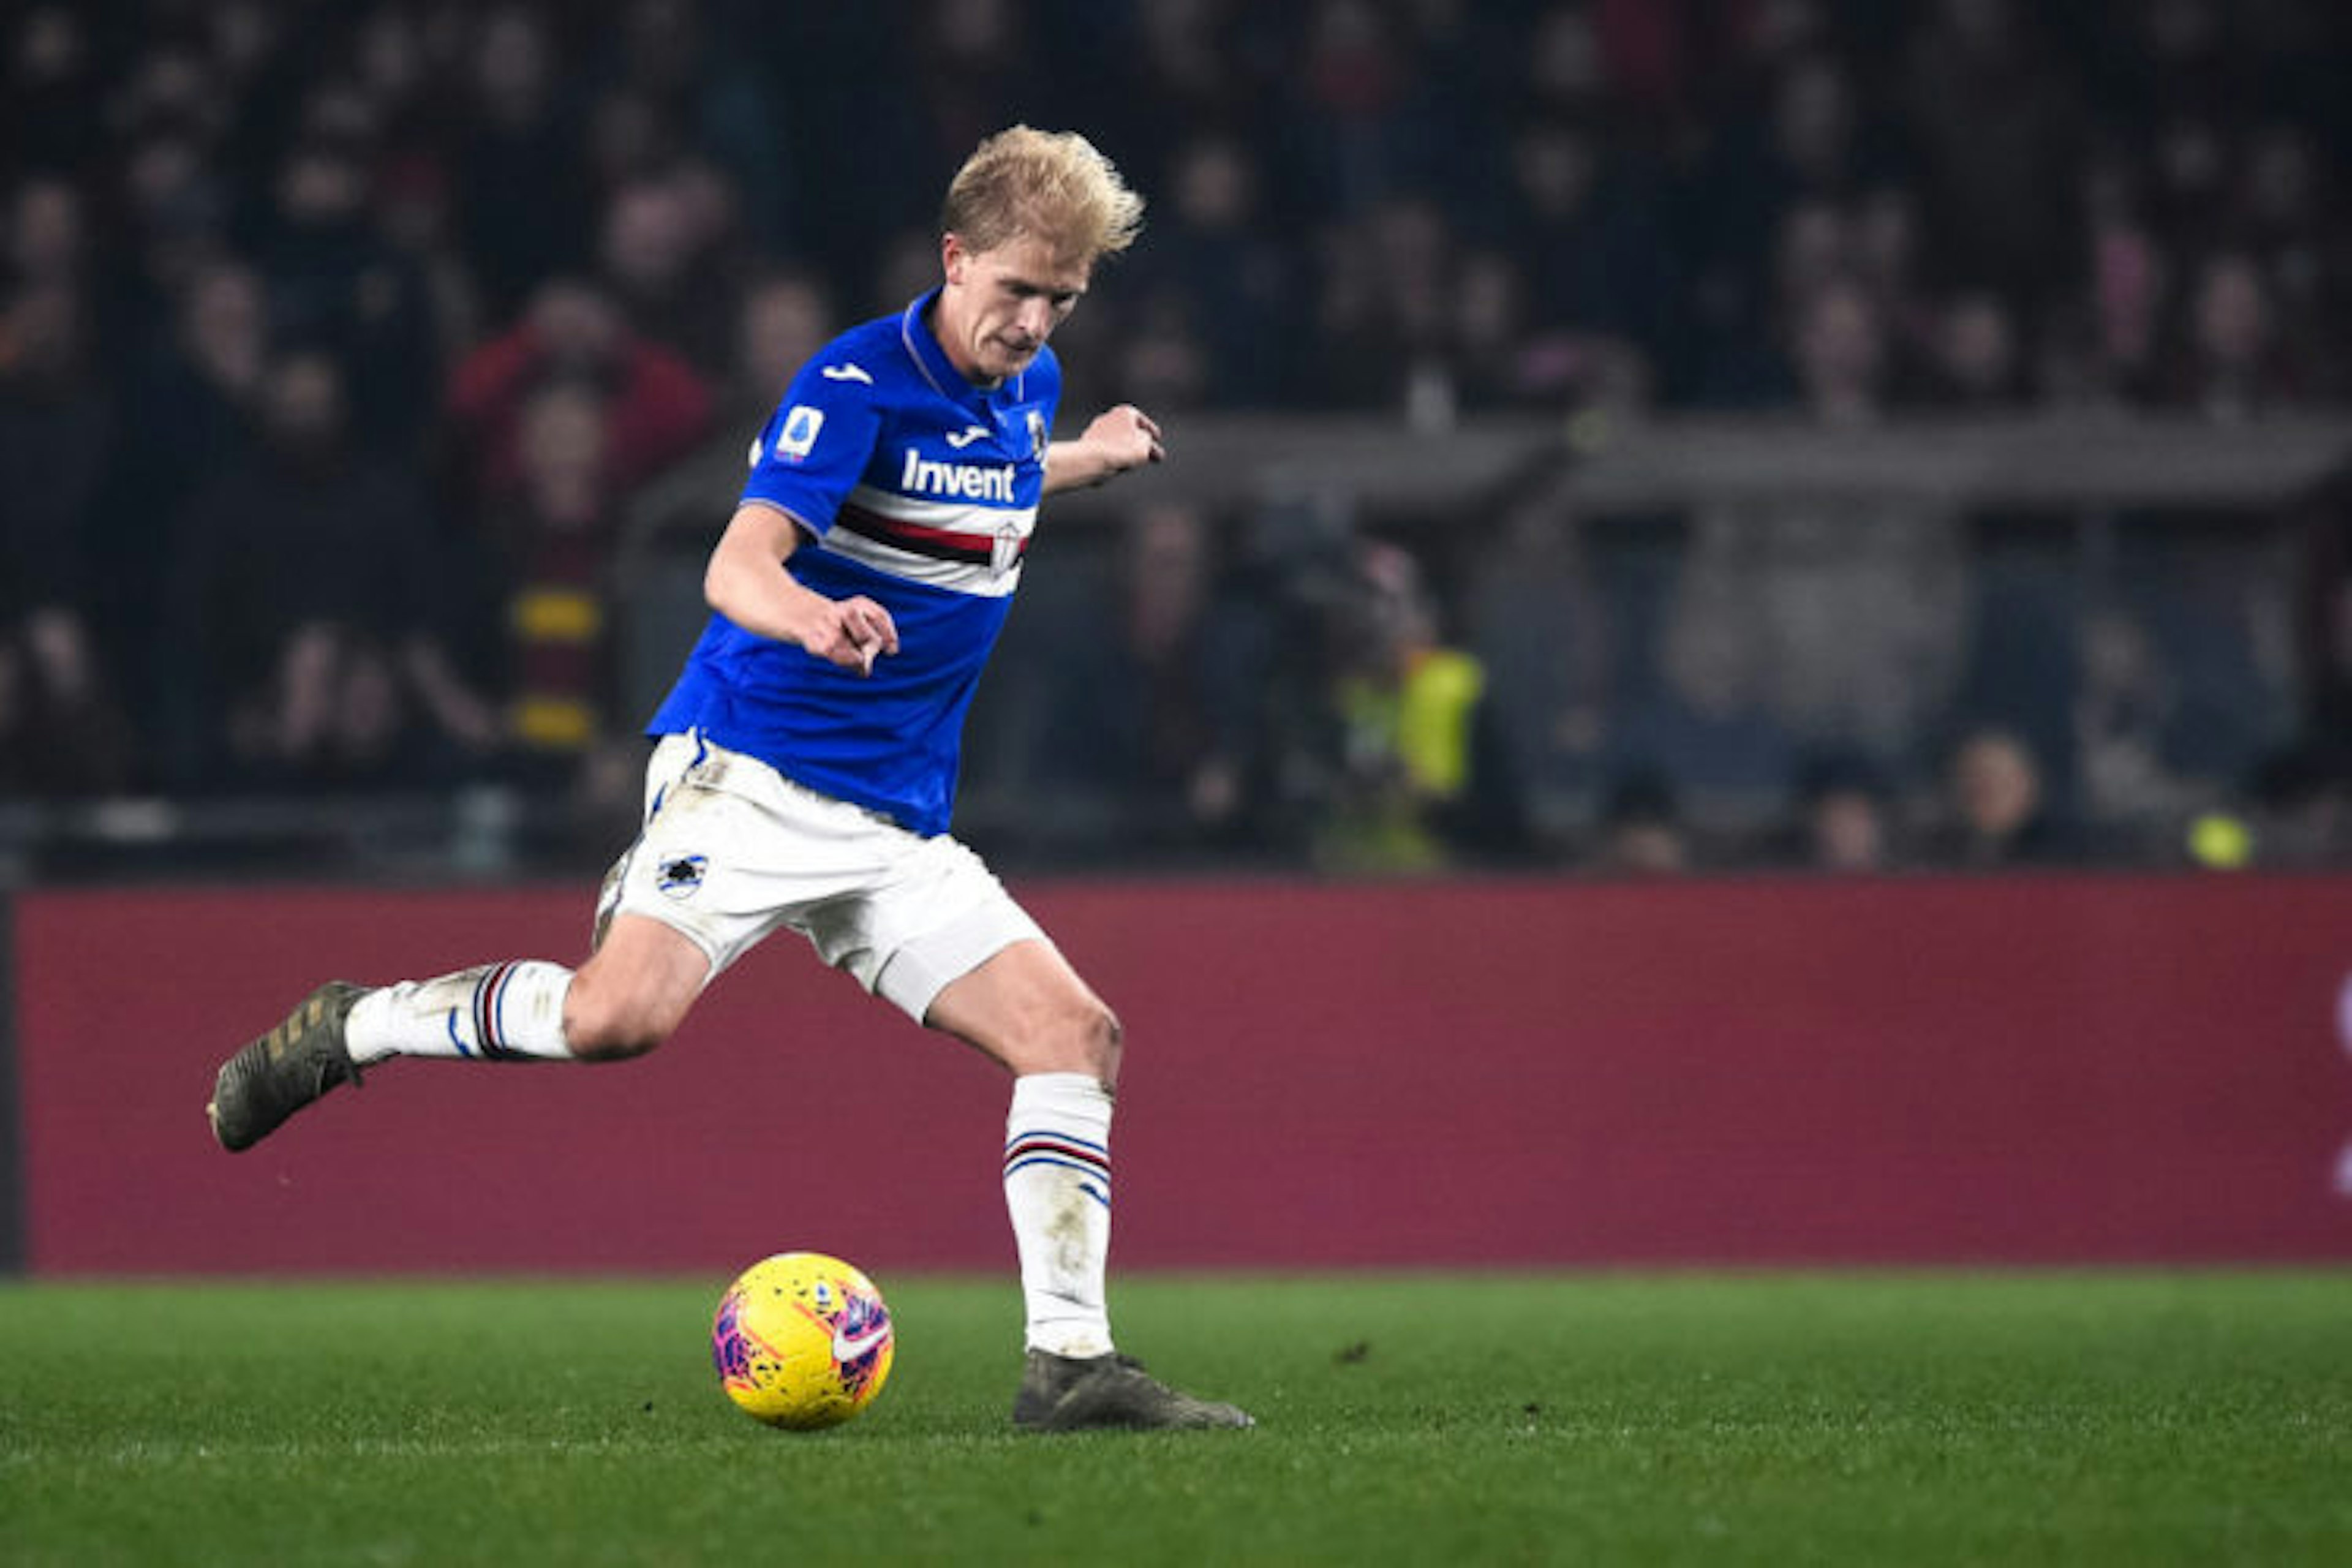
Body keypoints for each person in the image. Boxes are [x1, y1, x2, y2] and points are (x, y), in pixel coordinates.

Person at [206, 126, 1251, 1434]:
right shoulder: (852, 384)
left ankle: (1072, 1364)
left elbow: (986, 482)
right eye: (1017, 290)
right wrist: (813, 617)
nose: (1035, 323)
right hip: (752, 774)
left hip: (895, 822)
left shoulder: (1026, 388)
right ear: (954, 258)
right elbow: (737, 561)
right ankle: (356, 1026)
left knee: (1075, 1037)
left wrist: (1088, 453)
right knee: (614, 1021)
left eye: (1063, 300)